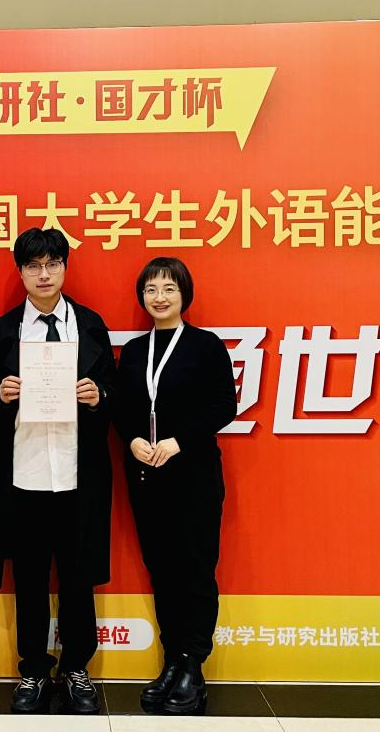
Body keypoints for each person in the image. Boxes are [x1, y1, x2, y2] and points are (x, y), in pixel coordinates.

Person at [0, 227, 117, 714]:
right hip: (25, 474)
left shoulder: (90, 325)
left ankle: (77, 667)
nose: (44, 274)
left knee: (79, 579)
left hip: (79, 474)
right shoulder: (4, 331)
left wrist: (99, 396)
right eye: (34, 266)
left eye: (52, 264)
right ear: (21, 272)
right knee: (31, 580)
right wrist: (1, 396)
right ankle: (34, 669)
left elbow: (116, 394)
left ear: (64, 268)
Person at [112, 257, 237, 714]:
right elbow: (122, 408)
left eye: (169, 288)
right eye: (151, 289)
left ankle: (192, 666)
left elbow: (225, 406)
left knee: (195, 572)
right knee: (162, 572)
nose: (159, 297)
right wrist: (132, 439)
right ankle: (171, 661)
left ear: (184, 294)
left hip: (194, 477)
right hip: (147, 478)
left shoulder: (206, 346)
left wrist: (178, 441)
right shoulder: (134, 350)